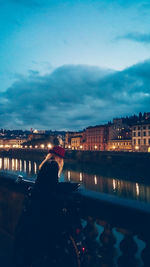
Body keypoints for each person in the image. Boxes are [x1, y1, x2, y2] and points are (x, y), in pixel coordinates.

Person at [14, 146, 66, 267]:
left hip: (36, 203)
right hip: (42, 205)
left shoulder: (46, 163)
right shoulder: (54, 165)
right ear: (59, 158)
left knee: (32, 236)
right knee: (41, 234)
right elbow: (53, 186)